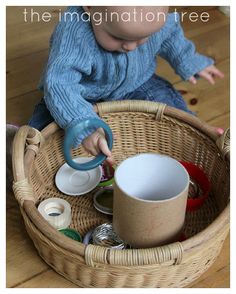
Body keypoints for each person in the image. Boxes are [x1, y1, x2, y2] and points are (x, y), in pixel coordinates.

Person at [28, 6, 224, 165]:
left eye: (142, 38)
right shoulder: (74, 30)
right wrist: (82, 125)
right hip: (81, 91)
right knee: (45, 127)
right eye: (118, 37)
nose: (130, 47)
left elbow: (170, 34)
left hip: (138, 82)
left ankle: (200, 136)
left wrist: (188, 60)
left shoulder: (155, 18)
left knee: (168, 105)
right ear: (90, 8)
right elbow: (59, 83)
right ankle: (18, 154)